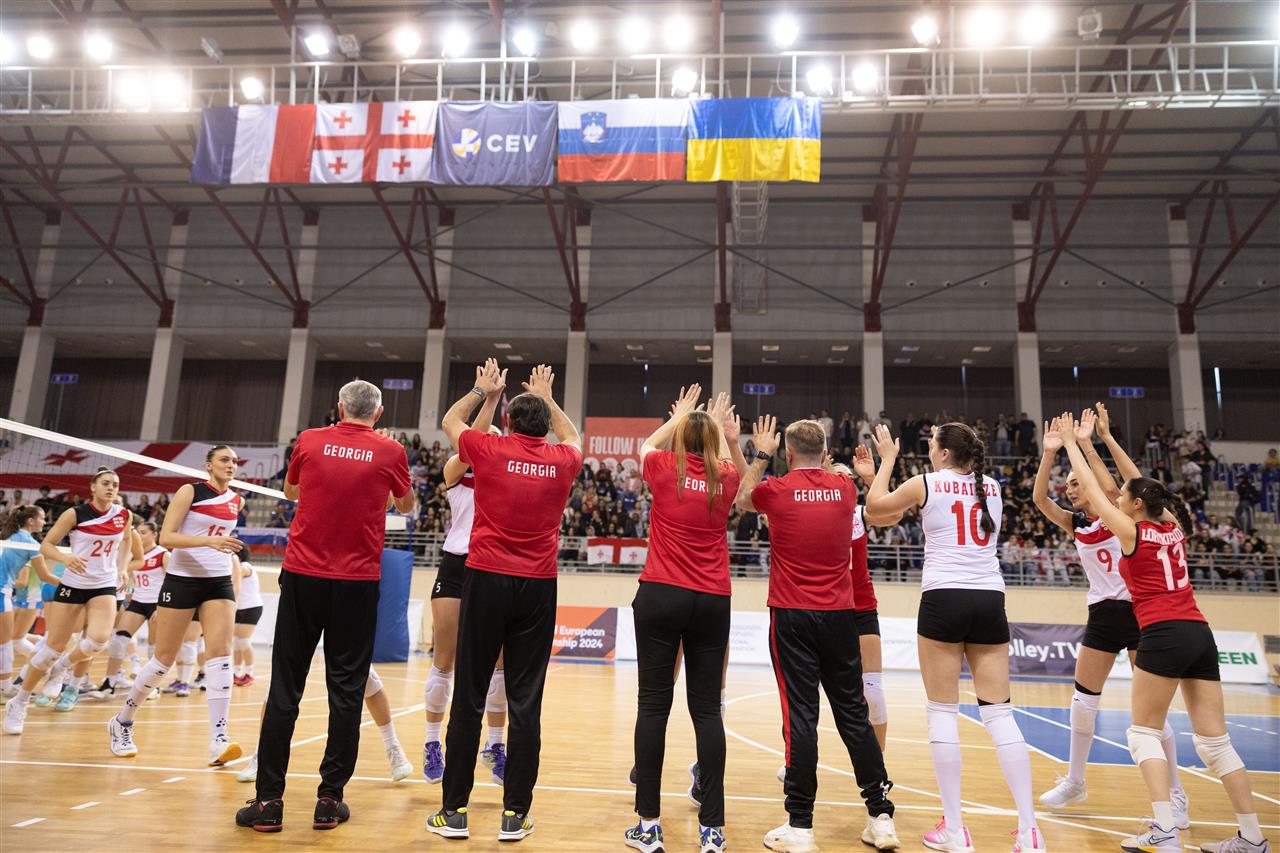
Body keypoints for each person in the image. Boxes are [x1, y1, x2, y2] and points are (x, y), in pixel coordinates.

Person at [1060, 418, 1271, 853]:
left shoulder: (1131, 532)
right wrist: (1103, 439)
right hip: (1199, 632)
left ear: (1136, 505)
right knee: (1215, 743)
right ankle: (1253, 838)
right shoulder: (1172, 525)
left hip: (1163, 632)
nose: (1117, 497)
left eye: (1123, 497)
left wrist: (1071, 445)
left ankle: (1164, 831)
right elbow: (1138, 482)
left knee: (1142, 734)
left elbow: (1097, 491)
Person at [236, 380, 414, 833]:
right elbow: (406, 504)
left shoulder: (309, 440)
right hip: (357, 583)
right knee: (347, 692)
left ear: (339, 407)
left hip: (303, 577)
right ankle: (329, 800)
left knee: (285, 688)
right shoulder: (391, 451)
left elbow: (291, 492)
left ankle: (268, 802)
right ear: (378, 413)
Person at [867, 423, 1044, 853]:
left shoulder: (926, 482)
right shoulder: (993, 487)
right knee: (1000, 714)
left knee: (942, 712)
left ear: (944, 453)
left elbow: (874, 507)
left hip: (944, 597)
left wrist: (887, 460)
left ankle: (956, 829)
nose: (929, 450)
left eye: (932, 444)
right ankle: (1029, 831)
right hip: (989, 597)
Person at [427, 361, 581, 844]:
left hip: (486, 579)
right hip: (537, 586)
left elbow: (450, 421)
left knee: (469, 695)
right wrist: (549, 398)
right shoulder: (563, 460)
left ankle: (454, 812)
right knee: (525, 702)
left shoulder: (489, 450)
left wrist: (483, 391)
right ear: (545, 425)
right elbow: (573, 436)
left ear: (509, 422)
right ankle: (515, 814)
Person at [737, 417, 899, 853]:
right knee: (854, 715)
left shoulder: (776, 490)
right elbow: (877, 507)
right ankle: (881, 817)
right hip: (842, 616)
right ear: (826, 453)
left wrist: (761, 454)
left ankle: (801, 825)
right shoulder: (845, 489)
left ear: (788, 452)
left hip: (792, 616)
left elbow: (742, 499)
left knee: (801, 717)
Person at [1033, 408, 1188, 823]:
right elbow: (1040, 500)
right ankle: (1075, 780)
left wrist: (1085, 444)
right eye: (1068, 484)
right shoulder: (1079, 526)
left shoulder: (1120, 517)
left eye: (1075, 483)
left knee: (1152, 712)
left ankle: (1176, 794)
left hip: (1139, 613)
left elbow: (1109, 485)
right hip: (1102, 614)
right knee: (1083, 700)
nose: (1070, 489)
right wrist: (1049, 455)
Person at [624, 385, 742, 853]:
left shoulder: (663, 466)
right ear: (713, 443)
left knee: (653, 706)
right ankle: (712, 830)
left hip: (661, 592)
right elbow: (731, 464)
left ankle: (649, 825)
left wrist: (680, 417)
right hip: (712, 599)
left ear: (679, 440)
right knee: (707, 711)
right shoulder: (726, 478)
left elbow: (645, 444)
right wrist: (721, 432)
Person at [108, 446, 245, 766]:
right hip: (182, 581)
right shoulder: (190, 491)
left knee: (221, 655)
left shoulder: (237, 500)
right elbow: (167, 537)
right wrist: (209, 541)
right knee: (163, 660)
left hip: (218, 581)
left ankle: (219, 739)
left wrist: (219, 551)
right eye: (224, 460)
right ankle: (122, 721)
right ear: (209, 465)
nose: (231, 465)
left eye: (235, 461)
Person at [6, 468, 141, 733]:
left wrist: (123, 568)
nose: (111, 488)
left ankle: (62, 667)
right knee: (52, 647)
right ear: (93, 487)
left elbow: (126, 540)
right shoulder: (75, 514)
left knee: (99, 640)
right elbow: (47, 545)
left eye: (115, 484)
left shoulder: (123, 515)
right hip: (73, 584)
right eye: (105, 483)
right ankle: (19, 702)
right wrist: (65, 558)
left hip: (104, 584)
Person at [423, 396, 509, 787]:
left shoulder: (506, 478)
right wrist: (487, 405)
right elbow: (469, 443)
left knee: (500, 663)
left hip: (493, 568)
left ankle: (495, 746)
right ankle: (431, 743)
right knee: (444, 657)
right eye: (483, 440)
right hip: (457, 566)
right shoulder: (456, 472)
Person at [96, 520, 168, 697]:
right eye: (139, 532)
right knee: (118, 639)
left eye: (144, 532)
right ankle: (110, 683)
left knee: (154, 645)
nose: (140, 536)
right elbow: (137, 580)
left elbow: (172, 582)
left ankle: (153, 686)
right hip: (138, 601)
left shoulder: (163, 554)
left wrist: (163, 607)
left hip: (157, 604)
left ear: (154, 534)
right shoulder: (134, 556)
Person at [1, 505, 48, 701]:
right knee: (7, 643)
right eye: (42, 518)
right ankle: (6, 688)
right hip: (6, 593)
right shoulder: (30, 544)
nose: (44, 521)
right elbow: (45, 576)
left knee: (12, 640)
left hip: (16, 596)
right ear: (30, 521)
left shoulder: (7, 538)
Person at [233, 545, 262, 686]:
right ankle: (236, 672)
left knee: (243, 641)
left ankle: (249, 673)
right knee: (236, 641)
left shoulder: (244, 567)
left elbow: (237, 576)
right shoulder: (237, 567)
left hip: (251, 607)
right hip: (239, 608)